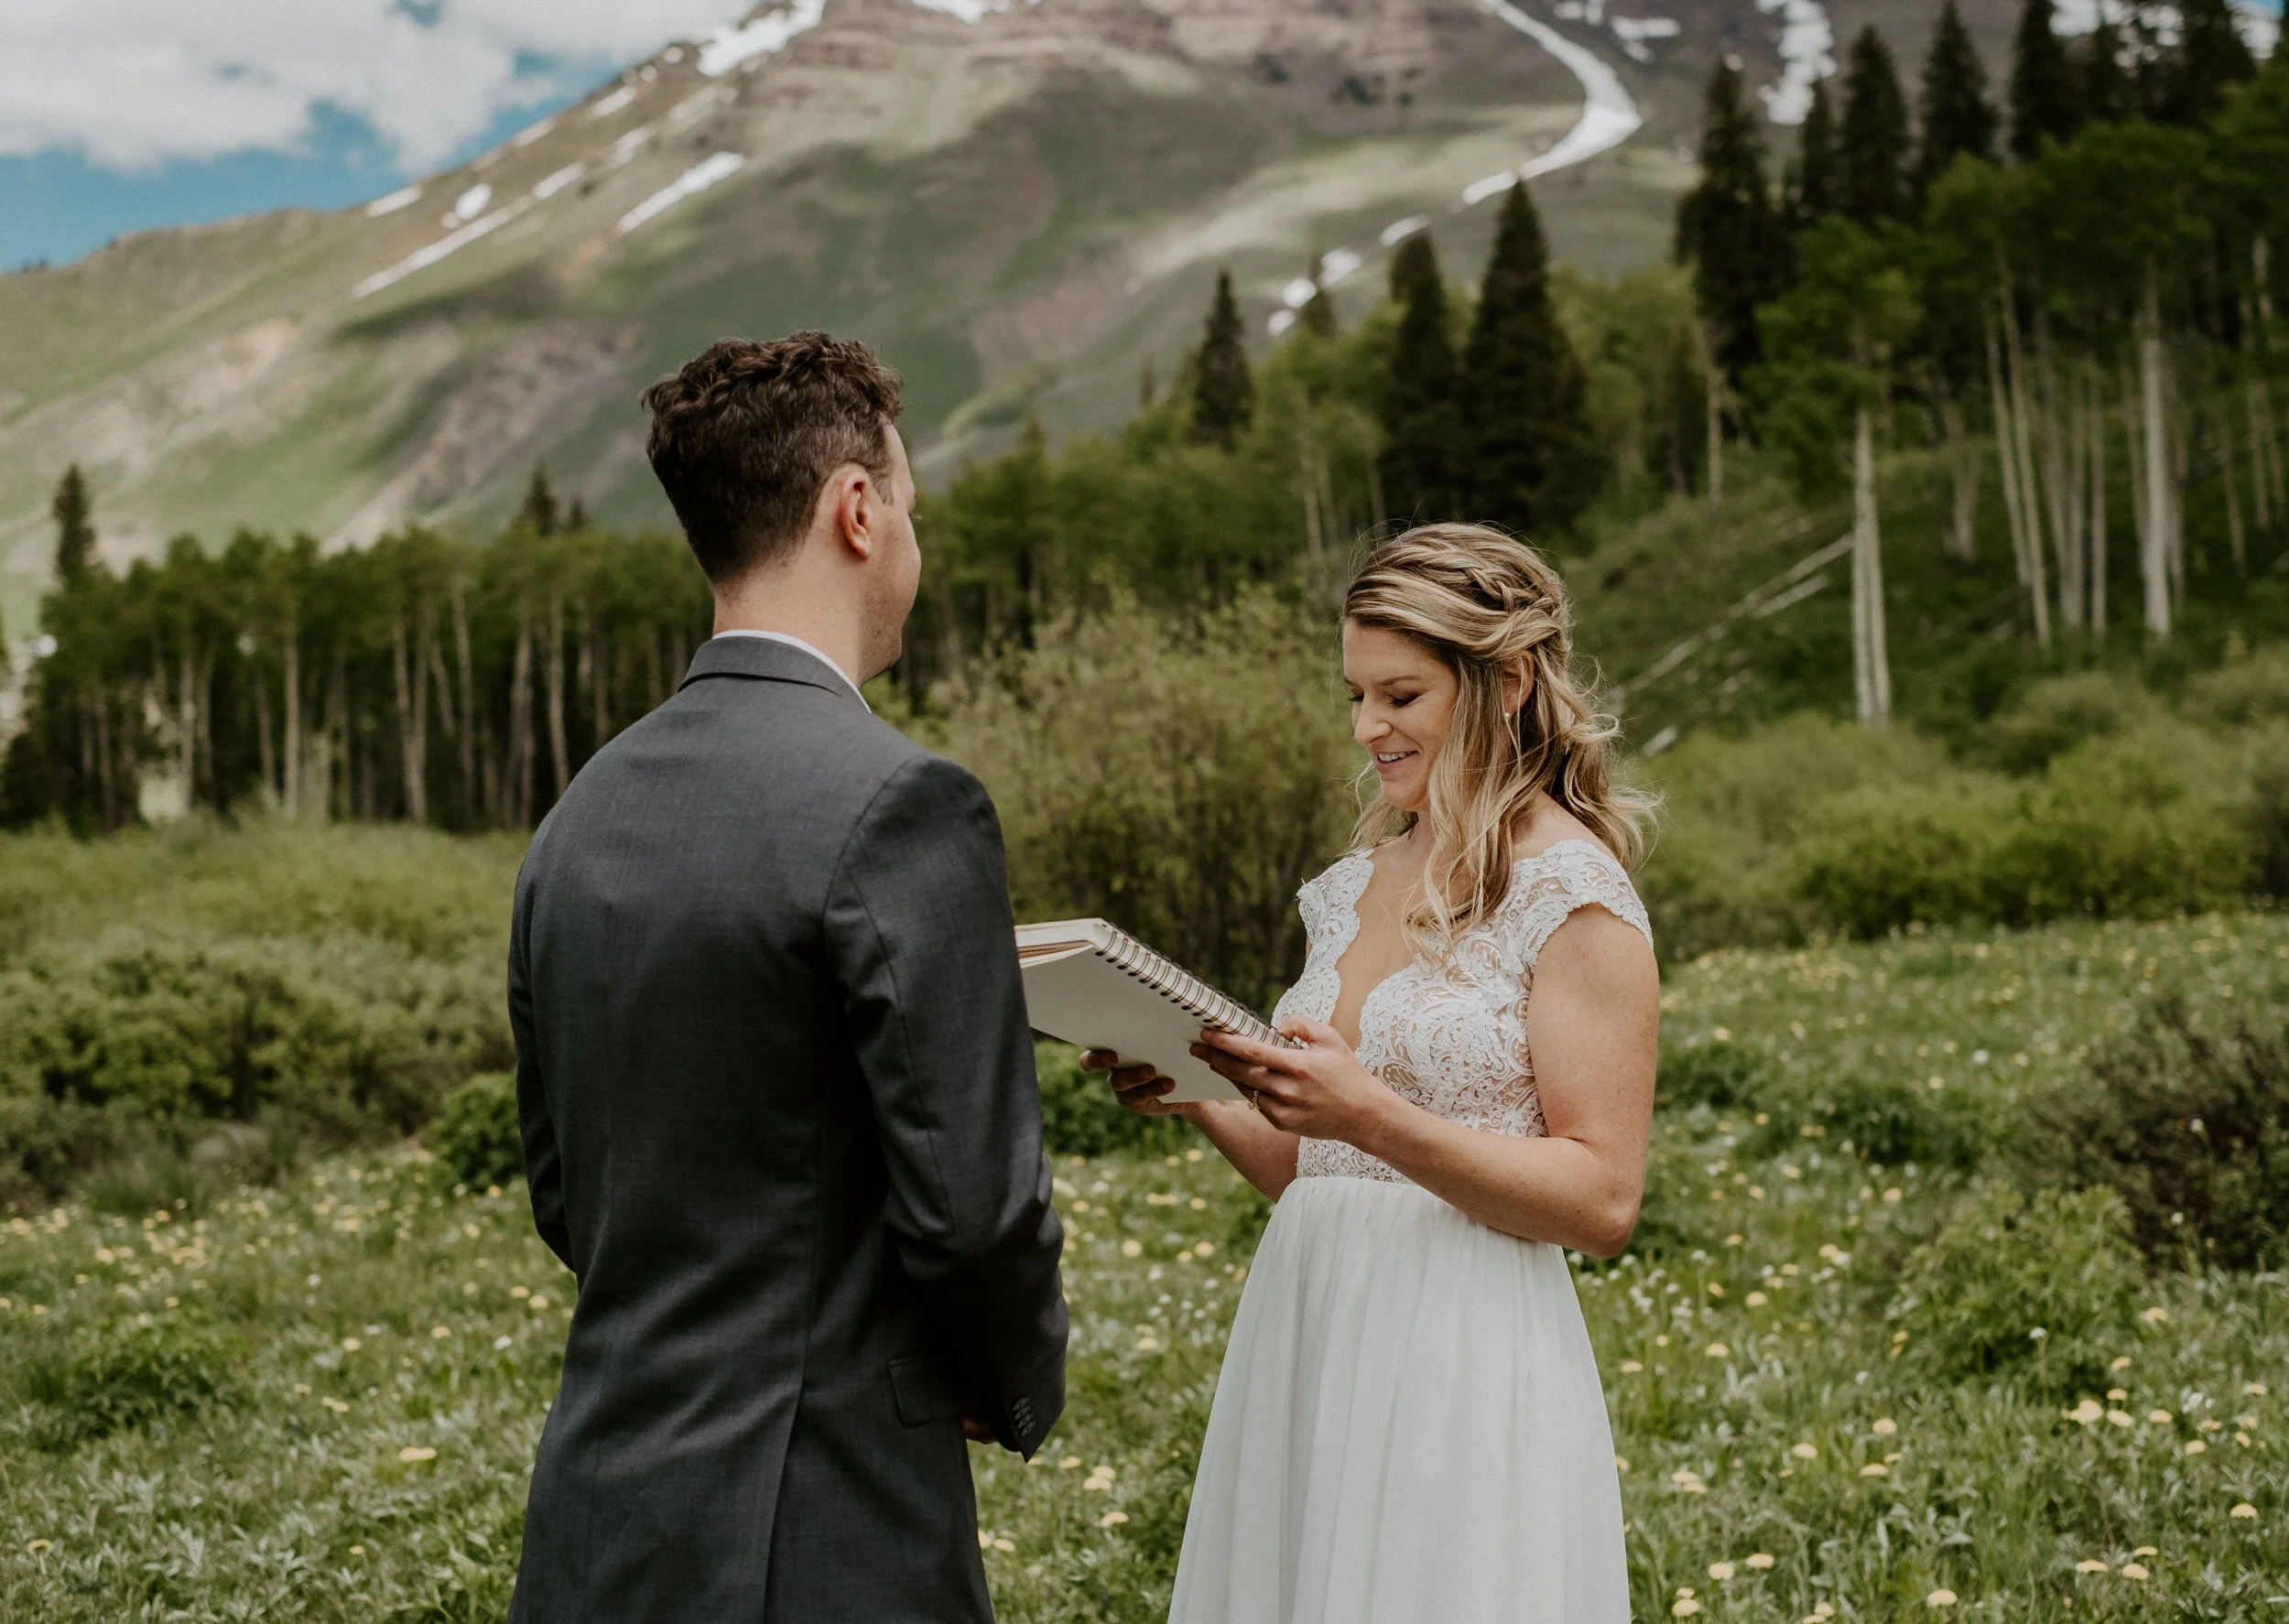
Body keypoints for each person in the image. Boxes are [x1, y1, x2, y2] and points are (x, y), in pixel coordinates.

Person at [505, 333, 1068, 1622]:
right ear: (856, 511)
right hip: (824, 1529)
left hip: (600, 1519)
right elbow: (975, 1209)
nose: (913, 544)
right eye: (911, 508)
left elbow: (564, 1188)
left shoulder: (578, 816)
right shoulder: (903, 805)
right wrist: (1015, 1379)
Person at [1092, 525, 1660, 1624]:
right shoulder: (1346, 887)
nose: (1368, 728)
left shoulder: (1573, 895)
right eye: (1355, 695)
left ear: (1506, 681)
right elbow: (1317, 1170)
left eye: (1400, 695)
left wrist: (1377, 1118)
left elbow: (1603, 1199)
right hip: (1309, 1330)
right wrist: (1194, 1080)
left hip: (1463, 1351)